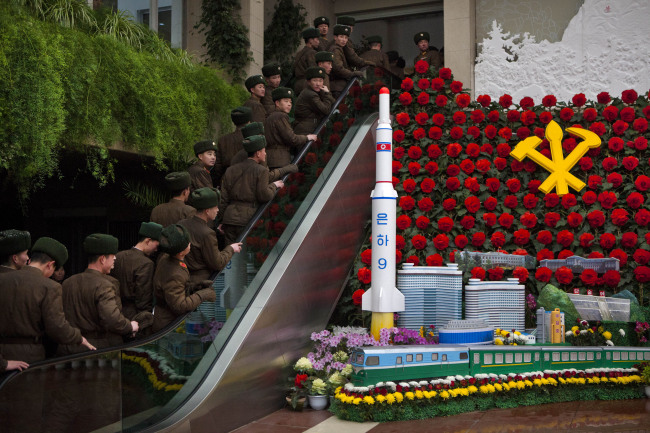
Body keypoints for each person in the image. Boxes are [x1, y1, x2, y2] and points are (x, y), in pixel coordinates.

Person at [0, 237, 95, 363]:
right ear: (50, 264)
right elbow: (56, 327)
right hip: (30, 357)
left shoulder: (3, 279)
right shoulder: (50, 287)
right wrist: (78, 338)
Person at [58, 234, 138, 354]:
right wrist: (130, 326)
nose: (114, 260)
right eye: (113, 257)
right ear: (102, 259)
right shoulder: (105, 285)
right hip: (96, 350)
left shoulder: (68, 282)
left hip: (69, 348)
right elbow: (112, 319)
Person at [220, 135, 286, 245]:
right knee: (247, 251)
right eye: (264, 151)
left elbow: (223, 198)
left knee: (230, 254)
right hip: (248, 219)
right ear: (258, 153)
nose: (265, 153)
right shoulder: (261, 171)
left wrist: (222, 220)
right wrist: (274, 185)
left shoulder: (230, 170)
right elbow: (264, 195)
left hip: (229, 218)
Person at [151, 224, 216, 332]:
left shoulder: (167, 258)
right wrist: (202, 295)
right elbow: (180, 305)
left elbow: (172, 288)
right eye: (187, 243)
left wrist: (194, 287)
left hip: (166, 319)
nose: (190, 243)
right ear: (181, 252)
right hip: (168, 326)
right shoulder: (174, 273)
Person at [179, 187, 242, 282]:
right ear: (207, 210)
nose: (217, 210)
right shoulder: (207, 233)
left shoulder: (181, 224)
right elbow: (217, 263)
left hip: (183, 277)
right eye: (216, 207)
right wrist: (231, 248)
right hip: (201, 282)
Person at [111, 222, 162, 320]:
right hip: (134, 317)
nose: (156, 250)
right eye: (156, 245)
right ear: (148, 241)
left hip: (114, 313)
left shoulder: (118, 256)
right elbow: (144, 298)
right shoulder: (146, 263)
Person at [265, 87, 317, 169]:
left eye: (290, 102)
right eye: (286, 101)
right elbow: (292, 139)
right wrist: (307, 137)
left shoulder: (271, 116)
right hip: (280, 160)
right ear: (277, 103)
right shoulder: (281, 116)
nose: (289, 104)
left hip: (272, 160)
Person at [214, 106, 252, 187]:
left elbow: (218, 166)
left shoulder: (223, 140)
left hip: (227, 179)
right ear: (249, 121)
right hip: (248, 180)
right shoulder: (252, 139)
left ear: (234, 122)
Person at [293, 67, 336, 135]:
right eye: (315, 80)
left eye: (320, 81)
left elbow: (334, 103)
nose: (318, 84)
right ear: (309, 82)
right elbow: (326, 110)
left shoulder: (317, 91)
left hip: (310, 129)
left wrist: (327, 93)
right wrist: (327, 94)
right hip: (305, 132)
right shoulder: (310, 94)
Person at [330, 25, 365, 97]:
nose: (344, 40)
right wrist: (353, 73)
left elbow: (354, 58)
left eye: (346, 37)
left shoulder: (342, 48)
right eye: (341, 37)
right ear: (335, 37)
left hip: (340, 87)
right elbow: (338, 69)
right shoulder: (335, 50)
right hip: (337, 88)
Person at [293, 27, 320, 95]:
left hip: (298, 84)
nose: (318, 41)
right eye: (316, 39)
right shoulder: (312, 53)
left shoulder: (299, 53)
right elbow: (314, 70)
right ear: (310, 40)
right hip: (307, 84)